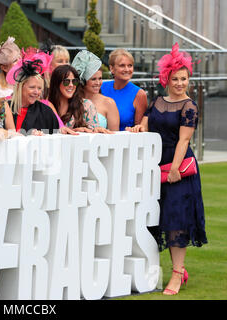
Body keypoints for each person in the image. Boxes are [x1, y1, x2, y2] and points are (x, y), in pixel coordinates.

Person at [126, 43, 207, 296]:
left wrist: (174, 170)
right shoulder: (159, 102)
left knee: (176, 221)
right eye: (176, 79)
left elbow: (184, 140)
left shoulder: (189, 107)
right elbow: (147, 123)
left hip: (178, 170)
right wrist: (138, 128)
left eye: (184, 79)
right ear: (166, 79)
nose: (180, 83)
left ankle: (176, 272)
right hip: (155, 169)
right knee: (158, 219)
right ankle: (177, 269)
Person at [48, 64, 110, 133]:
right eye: (66, 82)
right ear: (56, 83)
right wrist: (71, 131)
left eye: (74, 81)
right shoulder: (45, 106)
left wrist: (90, 131)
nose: (71, 85)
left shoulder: (86, 105)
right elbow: (41, 132)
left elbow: (93, 134)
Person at [7, 59, 60, 135]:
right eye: (32, 87)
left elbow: (55, 139)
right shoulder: (5, 108)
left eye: (39, 88)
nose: (36, 92)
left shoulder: (46, 112)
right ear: (19, 86)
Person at [71, 50, 119, 131]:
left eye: (100, 78)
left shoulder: (109, 103)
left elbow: (114, 136)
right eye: (93, 79)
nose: (98, 83)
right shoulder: (71, 100)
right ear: (83, 80)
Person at [101, 48, 147, 131]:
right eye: (122, 65)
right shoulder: (101, 87)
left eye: (130, 65)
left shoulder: (139, 94)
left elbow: (140, 130)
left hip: (124, 142)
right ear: (111, 68)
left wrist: (133, 130)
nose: (127, 69)